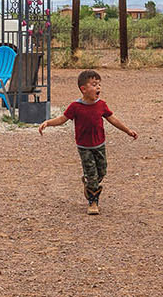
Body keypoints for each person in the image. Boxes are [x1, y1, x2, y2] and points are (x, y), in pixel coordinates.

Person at [39, 69, 138, 214]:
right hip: (84, 147)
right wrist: (48, 123)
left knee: (102, 171)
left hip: (99, 145)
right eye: (94, 84)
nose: (98, 87)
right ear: (83, 89)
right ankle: (93, 203)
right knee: (92, 175)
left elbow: (113, 119)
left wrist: (127, 130)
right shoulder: (75, 107)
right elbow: (62, 119)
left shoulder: (101, 105)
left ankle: (88, 183)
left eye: (99, 84)